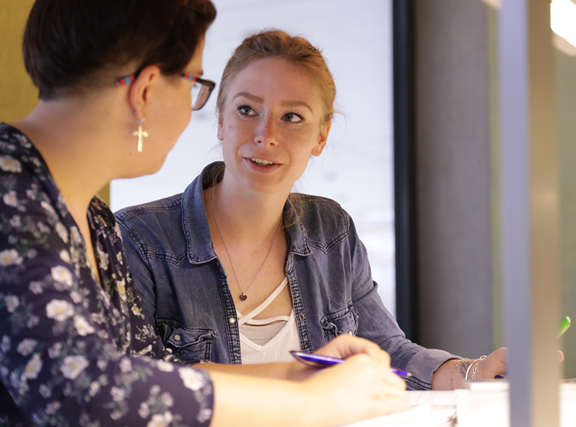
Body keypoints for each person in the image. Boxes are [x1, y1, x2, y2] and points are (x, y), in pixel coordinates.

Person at [0, 1, 410, 426]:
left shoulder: (96, 221)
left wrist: (301, 373)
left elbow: (152, 372)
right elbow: (82, 392)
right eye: (193, 83)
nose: (192, 108)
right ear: (144, 91)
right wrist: (314, 406)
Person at [115, 29, 508, 391]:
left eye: (292, 117)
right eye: (247, 110)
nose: (265, 135)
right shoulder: (139, 240)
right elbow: (139, 384)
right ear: (220, 119)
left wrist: (476, 371)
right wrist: (295, 380)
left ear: (322, 135)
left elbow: (387, 354)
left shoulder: (331, 231)